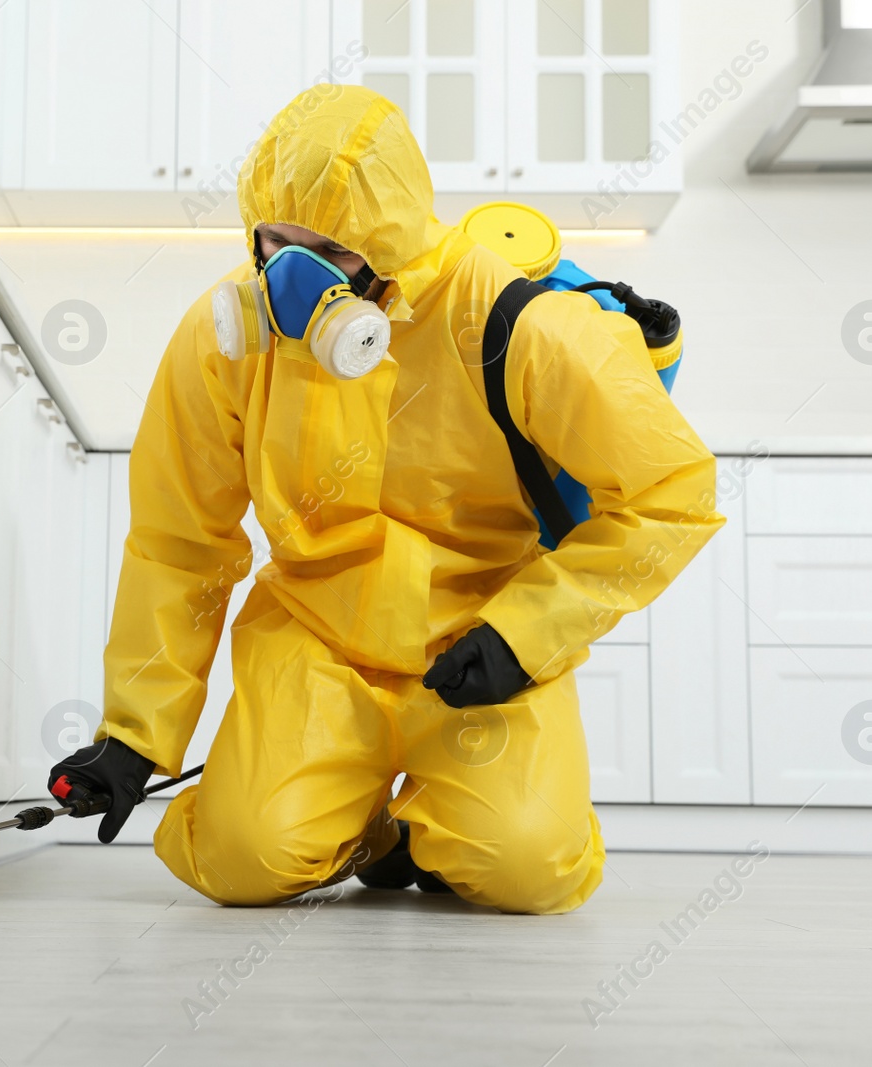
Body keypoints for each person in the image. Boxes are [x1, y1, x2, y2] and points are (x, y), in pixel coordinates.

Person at [49, 85, 723, 914]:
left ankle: (432, 824)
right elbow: (181, 537)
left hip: (475, 648)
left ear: (390, 245)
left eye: (328, 251)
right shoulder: (229, 337)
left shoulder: (517, 322)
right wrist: (133, 736)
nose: (293, 282)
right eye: (274, 244)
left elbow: (673, 490)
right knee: (241, 858)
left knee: (527, 869)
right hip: (316, 640)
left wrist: (524, 634)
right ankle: (366, 825)